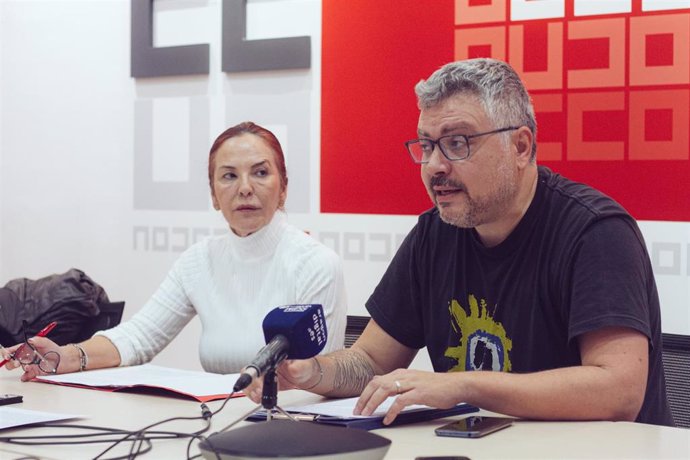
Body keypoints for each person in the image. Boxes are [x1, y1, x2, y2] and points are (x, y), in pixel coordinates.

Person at [245, 58, 673, 427]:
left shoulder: (594, 232)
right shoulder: (435, 233)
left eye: (457, 143)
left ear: (520, 146)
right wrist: (310, 373)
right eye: (426, 145)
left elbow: (618, 391)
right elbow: (372, 362)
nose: (434, 166)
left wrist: (462, 385)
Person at [3, 121, 347, 380]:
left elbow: (318, 377)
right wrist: (65, 356)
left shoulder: (316, 263)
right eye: (228, 176)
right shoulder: (200, 260)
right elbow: (139, 337)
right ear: (213, 195)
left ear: (283, 188)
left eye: (260, 173)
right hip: (213, 422)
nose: (245, 188)